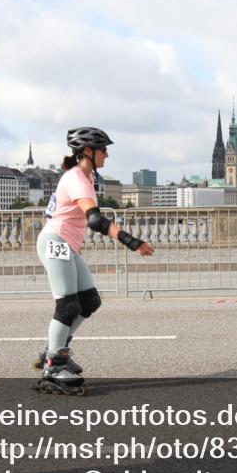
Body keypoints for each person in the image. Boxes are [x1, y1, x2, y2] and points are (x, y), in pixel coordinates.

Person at [34, 126, 154, 395]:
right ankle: (54, 363)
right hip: (56, 242)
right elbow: (96, 220)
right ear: (87, 151)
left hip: (64, 245)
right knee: (67, 305)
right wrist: (132, 242)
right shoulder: (76, 177)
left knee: (90, 301)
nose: (107, 155)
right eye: (103, 149)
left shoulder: (84, 178)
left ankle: (54, 349)